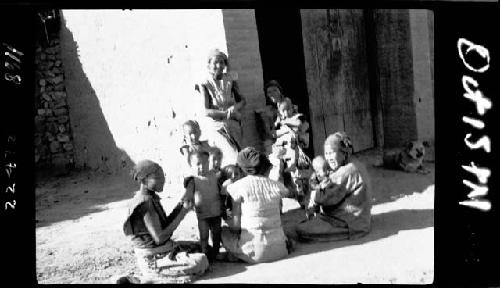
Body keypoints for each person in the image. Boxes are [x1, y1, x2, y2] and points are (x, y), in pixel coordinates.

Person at [121, 160, 209, 284]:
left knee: (200, 247)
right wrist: (183, 212)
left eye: (163, 177)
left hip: (162, 249)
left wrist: (181, 205)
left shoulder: (150, 198)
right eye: (158, 177)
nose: (163, 180)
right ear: (144, 180)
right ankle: (150, 277)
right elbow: (160, 237)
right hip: (153, 258)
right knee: (202, 260)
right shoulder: (145, 203)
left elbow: (165, 224)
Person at [220, 147, 294, 264]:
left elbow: (235, 225)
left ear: (243, 168)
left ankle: (238, 254)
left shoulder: (238, 187)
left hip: (255, 253)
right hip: (280, 250)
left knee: (222, 232)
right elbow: (288, 192)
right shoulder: (275, 185)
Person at [295, 132, 372, 242]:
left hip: (350, 224)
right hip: (359, 219)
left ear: (344, 153)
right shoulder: (353, 163)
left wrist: (313, 192)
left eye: (332, 153)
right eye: (326, 154)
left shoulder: (347, 170)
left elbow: (326, 199)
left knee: (301, 230)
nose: (328, 158)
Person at [196, 49, 246, 167]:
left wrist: (235, 108)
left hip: (234, 124)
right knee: (232, 156)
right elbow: (206, 111)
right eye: (215, 62)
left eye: (222, 62)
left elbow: (243, 101)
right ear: (209, 65)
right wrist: (226, 114)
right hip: (218, 126)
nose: (219, 66)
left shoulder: (230, 80)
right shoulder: (205, 83)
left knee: (241, 155)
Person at [272, 98, 312, 208]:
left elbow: (299, 124)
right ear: (280, 112)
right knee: (292, 182)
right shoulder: (279, 123)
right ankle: (300, 201)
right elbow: (273, 134)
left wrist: (284, 122)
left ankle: (306, 202)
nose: (286, 112)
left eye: (288, 109)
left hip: (299, 154)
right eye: (283, 110)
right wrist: (284, 130)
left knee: (301, 178)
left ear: (292, 108)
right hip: (285, 154)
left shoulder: (298, 117)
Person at [184, 150, 223, 262]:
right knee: (204, 234)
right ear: (191, 165)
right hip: (203, 214)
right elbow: (188, 193)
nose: (202, 166)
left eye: (205, 163)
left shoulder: (213, 175)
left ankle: (216, 252)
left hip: (216, 211)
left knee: (216, 233)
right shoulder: (193, 180)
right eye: (198, 164)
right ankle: (205, 252)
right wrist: (188, 201)